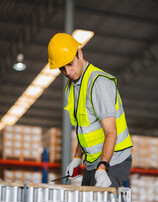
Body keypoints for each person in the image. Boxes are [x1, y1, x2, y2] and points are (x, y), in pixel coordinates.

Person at [48, 33, 133, 187]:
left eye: (70, 64)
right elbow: (85, 128)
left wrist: (103, 167)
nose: (67, 72)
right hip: (92, 163)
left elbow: (111, 131)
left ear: (79, 54)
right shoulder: (72, 87)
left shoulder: (99, 84)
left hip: (113, 161)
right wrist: (76, 158)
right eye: (62, 68)